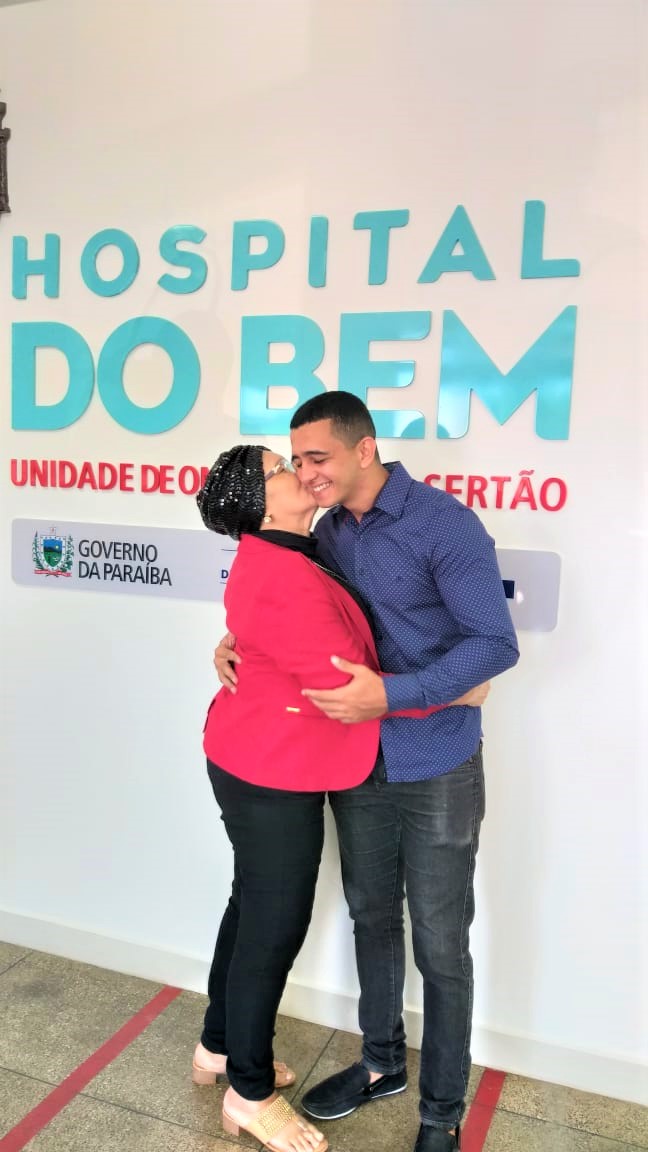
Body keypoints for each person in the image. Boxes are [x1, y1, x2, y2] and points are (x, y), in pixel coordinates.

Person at [214, 394, 519, 1152]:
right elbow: (284, 605)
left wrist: (400, 695)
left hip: (435, 757)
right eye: (295, 461)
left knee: (441, 943)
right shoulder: (323, 532)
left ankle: (441, 1111)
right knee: (371, 918)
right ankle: (381, 1062)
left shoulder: (444, 524)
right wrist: (233, 641)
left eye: (317, 458)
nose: (306, 474)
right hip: (353, 760)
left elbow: (495, 644)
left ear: (364, 449)